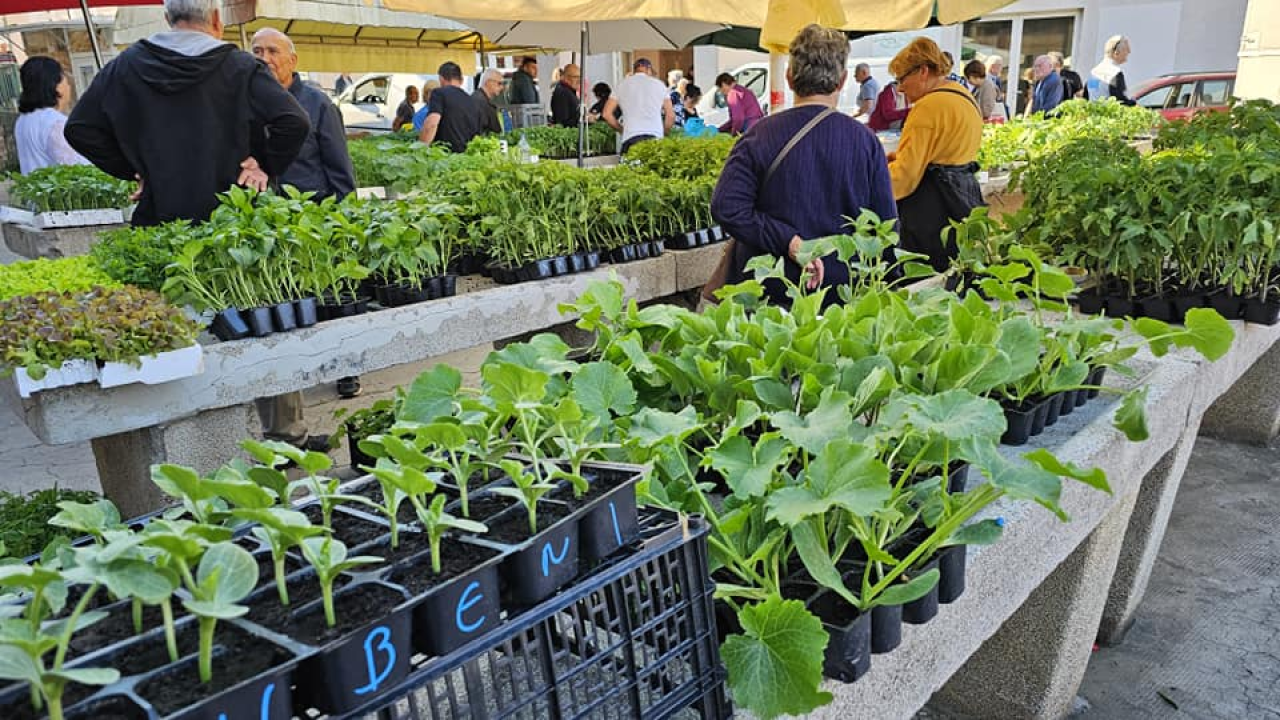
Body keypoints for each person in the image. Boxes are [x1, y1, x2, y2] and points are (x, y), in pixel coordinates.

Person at [65, 0, 309, 227]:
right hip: (233, 217)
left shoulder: (125, 66)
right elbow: (294, 121)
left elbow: (80, 128)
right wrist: (263, 163)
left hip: (160, 215)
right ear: (216, 19)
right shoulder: (242, 67)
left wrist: (133, 169)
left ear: (167, 17)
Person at [710, 24, 896, 308]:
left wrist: (789, 242)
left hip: (767, 296)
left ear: (789, 77)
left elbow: (727, 207)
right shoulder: (865, 142)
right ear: (842, 80)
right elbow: (886, 230)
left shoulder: (759, 135)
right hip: (841, 297)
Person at [250, 27, 358, 441]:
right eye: (257, 50)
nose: (264, 57)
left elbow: (340, 170)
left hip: (315, 221)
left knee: (333, 302)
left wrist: (341, 226)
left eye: (273, 50)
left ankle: (347, 371)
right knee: (281, 318)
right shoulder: (247, 104)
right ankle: (287, 427)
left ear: (292, 59)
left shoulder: (317, 102)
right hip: (268, 228)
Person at [886, 36, 984, 272]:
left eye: (902, 78)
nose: (900, 87)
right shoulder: (964, 97)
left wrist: (872, 179)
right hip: (964, 200)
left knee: (924, 281)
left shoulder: (927, 108)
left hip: (932, 213)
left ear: (922, 71)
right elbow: (944, 151)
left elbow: (904, 178)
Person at [14, 57, 89, 174]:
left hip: (33, 189)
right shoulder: (55, 123)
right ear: (56, 86)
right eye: (66, 82)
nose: (69, 87)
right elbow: (80, 168)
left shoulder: (22, 120)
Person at [603, 58, 674, 154]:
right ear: (649, 69)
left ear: (635, 69)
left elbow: (606, 114)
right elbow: (670, 116)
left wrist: (621, 129)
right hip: (655, 137)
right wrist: (664, 132)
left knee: (630, 168)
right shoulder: (659, 85)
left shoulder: (621, 85)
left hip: (630, 137)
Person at [419, 61, 482, 152]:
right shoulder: (473, 101)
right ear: (461, 80)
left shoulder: (439, 93)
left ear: (441, 78)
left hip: (444, 157)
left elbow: (432, 124)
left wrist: (420, 149)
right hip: (466, 157)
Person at [1089, 35, 1136, 105]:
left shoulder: (1094, 72)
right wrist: (1133, 103)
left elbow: (1090, 95)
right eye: (1126, 49)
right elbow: (1121, 101)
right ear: (1116, 52)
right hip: (1108, 114)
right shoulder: (1115, 73)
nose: (1129, 52)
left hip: (1093, 114)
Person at [473, 68, 504, 137]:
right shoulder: (481, 101)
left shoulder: (477, 96)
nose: (502, 87)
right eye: (499, 83)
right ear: (488, 82)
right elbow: (496, 131)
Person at [550, 63, 581, 127]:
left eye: (580, 77)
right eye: (575, 77)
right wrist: (584, 119)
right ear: (566, 78)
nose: (579, 80)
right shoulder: (563, 92)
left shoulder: (568, 91)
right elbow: (562, 122)